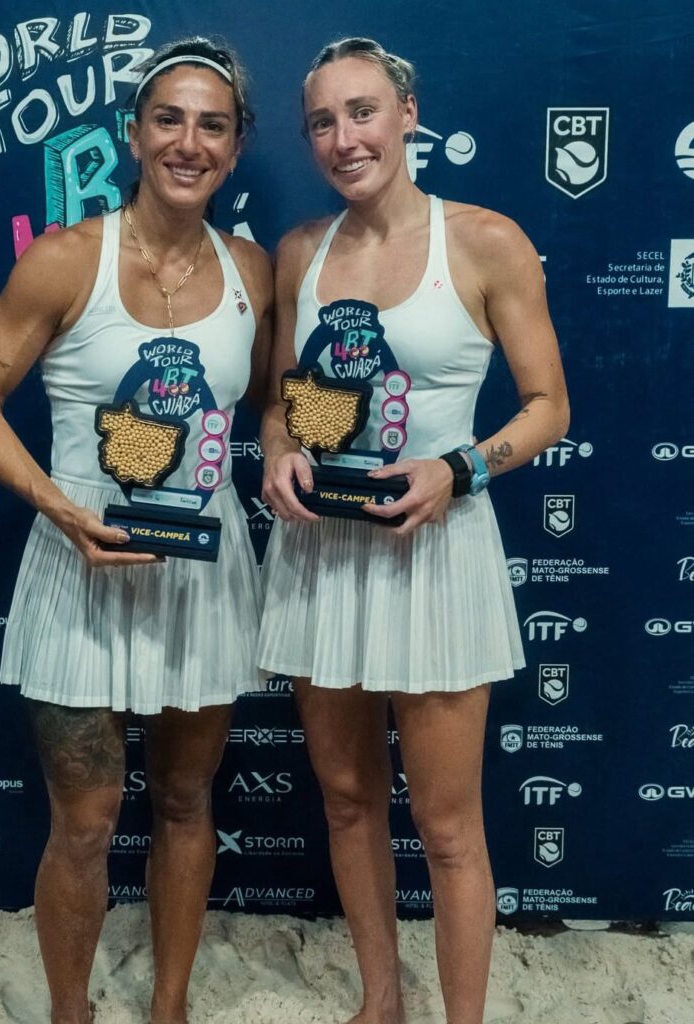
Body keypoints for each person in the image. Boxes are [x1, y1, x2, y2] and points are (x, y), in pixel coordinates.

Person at [0, 37, 272, 1024]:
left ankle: (168, 1006)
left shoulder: (253, 272)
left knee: (185, 800)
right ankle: (71, 1011)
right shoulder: (62, 260)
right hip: (76, 564)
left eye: (211, 125)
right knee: (84, 822)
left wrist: (300, 451)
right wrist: (59, 507)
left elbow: (271, 403)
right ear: (133, 134)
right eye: (168, 119)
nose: (188, 142)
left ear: (235, 146)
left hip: (201, 572)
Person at [258, 37, 568, 1024]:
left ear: (406, 113)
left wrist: (458, 468)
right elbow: (281, 403)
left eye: (361, 112)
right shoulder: (299, 253)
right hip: (321, 555)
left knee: (446, 826)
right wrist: (277, 449)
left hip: (436, 551)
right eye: (321, 122)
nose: (343, 138)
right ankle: (380, 1002)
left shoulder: (484, 240)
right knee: (347, 799)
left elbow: (548, 406)